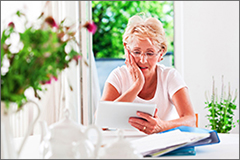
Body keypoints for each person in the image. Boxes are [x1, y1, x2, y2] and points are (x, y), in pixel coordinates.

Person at [101, 14, 196, 134]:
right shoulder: (118, 76)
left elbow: (191, 120)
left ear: (161, 54)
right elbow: (102, 123)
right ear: (127, 50)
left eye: (150, 53)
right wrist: (137, 85)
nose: (143, 60)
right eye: (136, 52)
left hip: (161, 147)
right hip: (126, 147)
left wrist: (162, 126)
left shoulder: (169, 77)